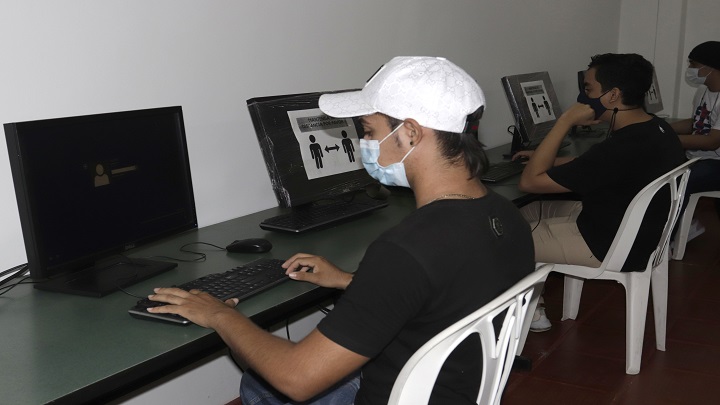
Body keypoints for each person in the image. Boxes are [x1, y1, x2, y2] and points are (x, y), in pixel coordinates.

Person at [146, 56, 535, 404]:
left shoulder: (405, 249)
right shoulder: (505, 214)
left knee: (259, 383)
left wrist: (218, 314)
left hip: (392, 395)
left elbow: (297, 380)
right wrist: (352, 281)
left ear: (411, 133)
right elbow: (448, 289)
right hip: (454, 389)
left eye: (368, 130)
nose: (365, 143)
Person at [514, 53, 686, 332]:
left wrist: (565, 121)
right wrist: (543, 158)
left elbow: (530, 183)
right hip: (638, 231)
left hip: (606, 242)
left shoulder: (621, 147)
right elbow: (593, 164)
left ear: (612, 95)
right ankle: (530, 297)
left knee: (502, 239)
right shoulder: (655, 127)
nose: (583, 97)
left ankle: (532, 311)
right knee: (528, 210)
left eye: (588, 89)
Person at [670, 41, 720, 217]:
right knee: (654, 169)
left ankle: (672, 230)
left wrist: (665, 139)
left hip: (716, 162)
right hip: (697, 157)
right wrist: (661, 128)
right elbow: (696, 123)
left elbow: (712, 142)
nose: (690, 69)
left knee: (678, 182)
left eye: (693, 64)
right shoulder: (703, 90)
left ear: (710, 68)